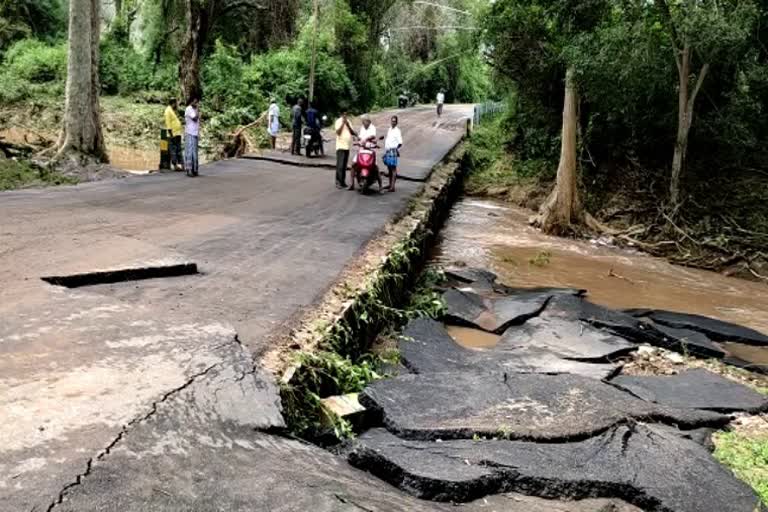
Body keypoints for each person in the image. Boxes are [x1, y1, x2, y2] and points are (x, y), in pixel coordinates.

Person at [351, 114, 379, 191]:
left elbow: (373, 136)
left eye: (364, 121)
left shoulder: (372, 127)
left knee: (375, 167)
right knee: (353, 164)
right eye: (362, 121)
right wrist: (357, 139)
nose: (363, 123)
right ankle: (352, 184)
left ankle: (381, 186)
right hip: (362, 149)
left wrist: (366, 139)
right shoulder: (362, 128)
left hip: (370, 149)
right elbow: (360, 137)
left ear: (368, 121)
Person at [334, 110, 356, 189]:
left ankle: (342, 182)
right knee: (340, 165)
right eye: (344, 114)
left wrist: (348, 125)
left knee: (344, 165)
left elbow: (352, 132)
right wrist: (343, 123)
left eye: (346, 114)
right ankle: (338, 182)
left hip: (347, 146)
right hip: (340, 146)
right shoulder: (338, 121)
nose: (345, 116)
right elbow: (338, 132)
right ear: (341, 114)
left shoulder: (349, 122)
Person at [382, 115, 403, 192]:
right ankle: (390, 184)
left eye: (394, 121)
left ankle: (393, 186)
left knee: (393, 168)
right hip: (388, 150)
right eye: (392, 121)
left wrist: (396, 149)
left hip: (393, 150)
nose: (393, 122)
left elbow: (400, 142)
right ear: (390, 121)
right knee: (389, 168)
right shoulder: (389, 129)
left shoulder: (397, 131)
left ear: (396, 122)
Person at [164, 98, 183, 171]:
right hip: (173, 134)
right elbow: (168, 123)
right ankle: (175, 165)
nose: (177, 105)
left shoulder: (172, 110)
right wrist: (171, 133)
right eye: (176, 103)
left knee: (178, 149)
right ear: (173, 103)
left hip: (177, 133)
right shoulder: (168, 111)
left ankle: (180, 164)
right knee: (173, 150)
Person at [184, 97, 200, 177]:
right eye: (195, 102)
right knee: (190, 152)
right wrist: (197, 109)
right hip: (190, 133)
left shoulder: (194, 109)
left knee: (195, 152)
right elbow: (195, 118)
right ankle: (189, 169)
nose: (196, 103)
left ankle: (195, 169)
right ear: (191, 102)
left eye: (197, 102)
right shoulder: (189, 109)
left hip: (195, 133)